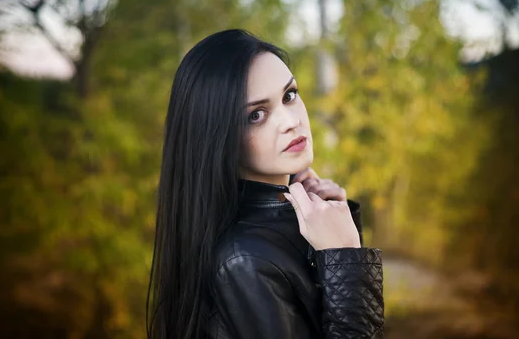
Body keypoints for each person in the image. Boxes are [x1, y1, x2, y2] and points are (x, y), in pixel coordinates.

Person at [146, 29, 384, 339]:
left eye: (289, 95)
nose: (290, 121)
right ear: (217, 138)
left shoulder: (291, 221)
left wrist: (340, 228)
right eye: (256, 114)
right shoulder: (245, 261)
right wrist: (344, 256)